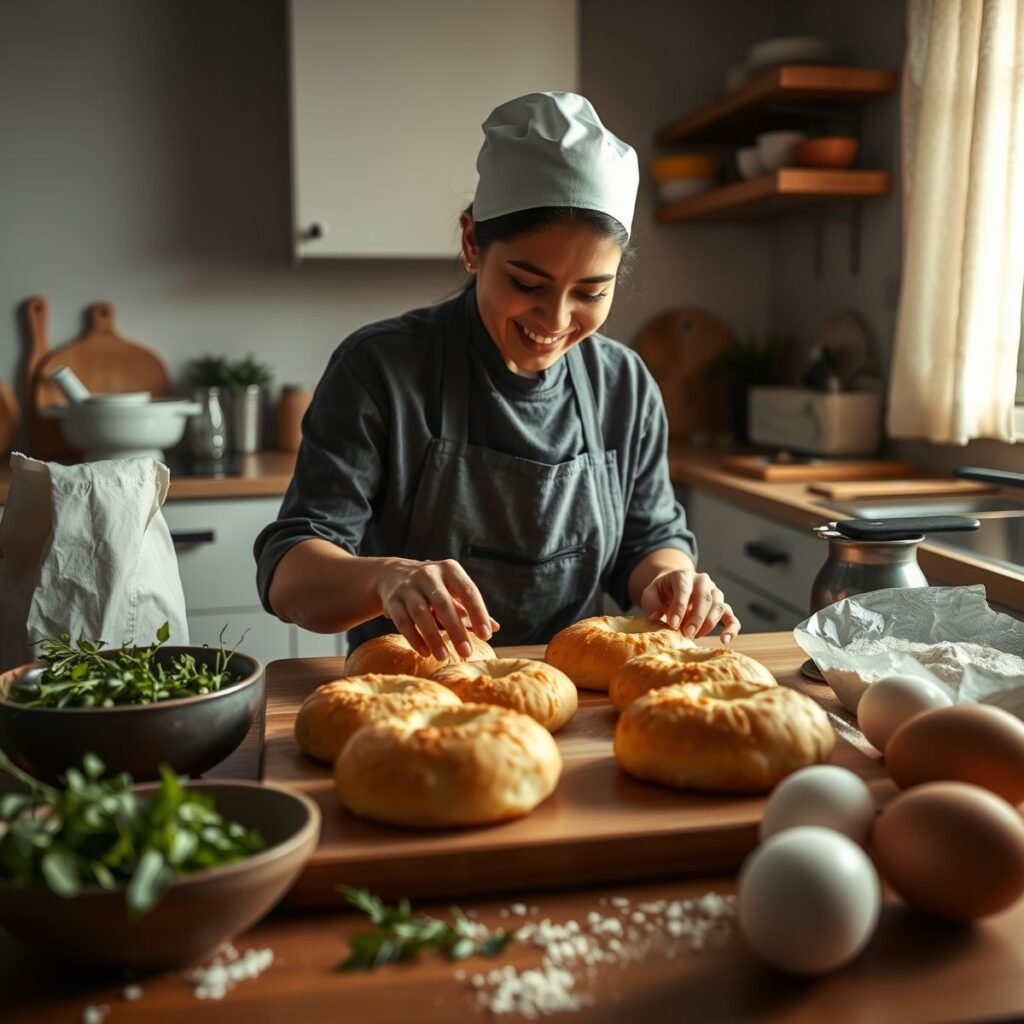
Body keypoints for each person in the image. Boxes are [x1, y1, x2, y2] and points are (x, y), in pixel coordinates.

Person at [255, 91, 740, 663]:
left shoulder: (624, 385)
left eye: (591, 292)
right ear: (471, 243)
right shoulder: (380, 370)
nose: (555, 321)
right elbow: (289, 574)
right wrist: (385, 578)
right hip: (413, 689)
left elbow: (650, 538)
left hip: (575, 691)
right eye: (527, 284)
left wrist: (670, 579)